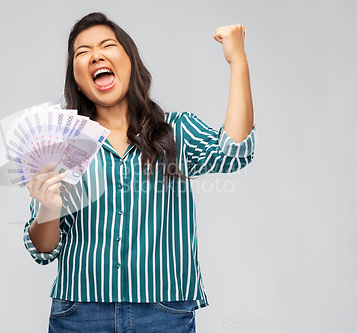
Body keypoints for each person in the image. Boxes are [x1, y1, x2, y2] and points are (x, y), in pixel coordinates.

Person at [23, 12, 255, 333]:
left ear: (130, 60)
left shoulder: (176, 131)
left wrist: (238, 61)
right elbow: (43, 249)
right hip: (80, 313)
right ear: (75, 76)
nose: (96, 56)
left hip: (164, 311)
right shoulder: (59, 143)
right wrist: (49, 207)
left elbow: (235, 152)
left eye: (106, 45)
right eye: (82, 52)